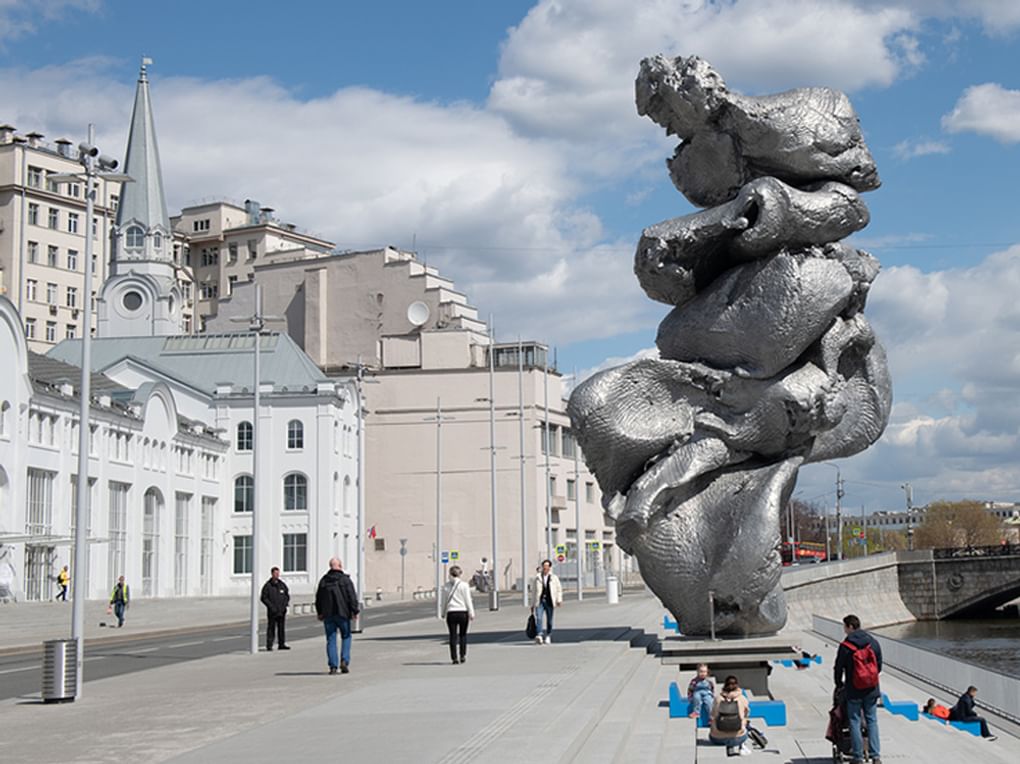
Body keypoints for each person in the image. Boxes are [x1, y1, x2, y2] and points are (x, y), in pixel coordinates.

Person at [834, 614, 882, 764]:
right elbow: (879, 666)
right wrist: (870, 679)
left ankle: (858, 756)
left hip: (853, 690)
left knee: (854, 721)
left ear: (850, 627)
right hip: (872, 689)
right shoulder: (873, 643)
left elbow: (838, 668)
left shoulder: (845, 646)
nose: (844, 630)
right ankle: (875, 756)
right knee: (872, 720)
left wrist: (839, 684)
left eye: (845, 627)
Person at [314, 557, 360, 675]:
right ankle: (344, 660)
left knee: (331, 639)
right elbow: (351, 596)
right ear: (340, 566)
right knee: (346, 636)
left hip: (328, 614)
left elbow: (318, 598)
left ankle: (333, 666)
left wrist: (319, 612)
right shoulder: (345, 580)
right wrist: (354, 611)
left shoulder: (324, 580)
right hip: (343, 613)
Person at [708, 674, 751, 755]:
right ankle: (741, 745)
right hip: (738, 738)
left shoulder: (718, 699)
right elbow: (747, 714)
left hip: (717, 738)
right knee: (746, 725)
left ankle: (729, 743)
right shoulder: (742, 699)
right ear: (737, 685)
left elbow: (713, 714)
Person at [441, 565, 475, 664]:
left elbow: (444, 601)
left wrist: (443, 612)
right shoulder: (464, 585)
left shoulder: (446, 586)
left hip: (451, 613)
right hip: (463, 612)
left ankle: (454, 658)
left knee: (452, 635)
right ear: (459, 574)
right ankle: (462, 655)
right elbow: (468, 600)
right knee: (463, 635)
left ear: (450, 574)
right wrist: (471, 612)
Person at [530, 559, 563, 644]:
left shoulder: (553, 578)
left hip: (549, 601)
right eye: (544, 566)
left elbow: (559, 589)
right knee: (539, 618)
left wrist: (559, 600)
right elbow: (534, 591)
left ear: (550, 568)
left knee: (549, 620)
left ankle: (548, 635)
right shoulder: (537, 578)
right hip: (540, 601)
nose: (545, 568)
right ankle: (539, 635)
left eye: (547, 566)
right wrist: (532, 604)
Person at [260, 566, 291, 651]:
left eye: (278, 573)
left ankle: (281, 644)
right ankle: (269, 645)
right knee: (271, 628)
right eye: (275, 573)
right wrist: (271, 607)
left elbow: (287, 596)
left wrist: (284, 605)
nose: (277, 575)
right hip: (272, 612)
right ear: (272, 574)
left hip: (281, 611)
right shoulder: (268, 586)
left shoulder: (282, 585)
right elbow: (263, 598)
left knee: (281, 628)